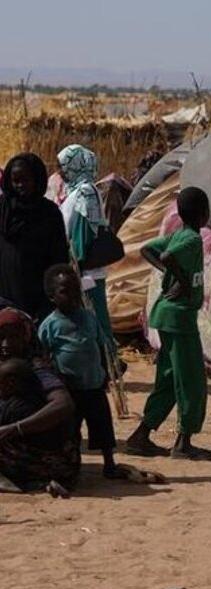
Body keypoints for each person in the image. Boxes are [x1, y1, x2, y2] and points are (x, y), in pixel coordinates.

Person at [126, 187, 211, 461]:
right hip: (179, 317)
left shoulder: (178, 234)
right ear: (204, 215)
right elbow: (165, 256)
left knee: (168, 378)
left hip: (167, 316)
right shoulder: (191, 240)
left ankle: (141, 434)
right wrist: (180, 278)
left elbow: (149, 249)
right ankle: (183, 442)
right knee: (191, 381)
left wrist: (170, 273)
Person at [37, 264, 123, 479]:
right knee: (69, 430)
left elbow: (99, 345)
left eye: (76, 290)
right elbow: (44, 355)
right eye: (65, 291)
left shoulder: (88, 317)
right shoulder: (50, 325)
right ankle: (70, 464)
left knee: (103, 427)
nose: (72, 296)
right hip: (69, 389)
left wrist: (105, 371)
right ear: (52, 297)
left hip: (94, 385)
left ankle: (109, 463)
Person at [0, 307, 80, 494]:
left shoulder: (38, 368)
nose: (5, 344)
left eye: (13, 337)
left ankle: (24, 481)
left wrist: (14, 429)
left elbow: (63, 404)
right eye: (1, 336)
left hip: (53, 459)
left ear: (26, 336)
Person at [57, 145, 116, 353]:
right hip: (82, 269)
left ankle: (109, 362)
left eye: (63, 166)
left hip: (86, 271)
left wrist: (77, 269)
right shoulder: (76, 191)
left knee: (96, 319)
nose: (61, 171)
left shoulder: (85, 192)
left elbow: (83, 233)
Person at [0, 154, 70, 321]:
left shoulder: (49, 213)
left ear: (37, 179)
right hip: (4, 291)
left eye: (25, 180)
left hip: (37, 295)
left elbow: (59, 257)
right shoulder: (2, 210)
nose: (20, 185)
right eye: (15, 180)